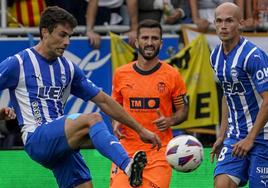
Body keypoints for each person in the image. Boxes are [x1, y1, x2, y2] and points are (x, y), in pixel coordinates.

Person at [0, 6, 162, 188]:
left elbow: (104, 100)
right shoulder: (18, 63)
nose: (67, 41)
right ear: (45, 32)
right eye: (62, 35)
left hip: (62, 142)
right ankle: (128, 165)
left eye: (70, 36)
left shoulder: (68, 68)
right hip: (36, 138)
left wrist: (140, 130)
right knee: (92, 119)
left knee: (85, 186)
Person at [110, 19, 188, 188]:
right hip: (126, 151)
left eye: (154, 38)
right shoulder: (121, 74)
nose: (150, 43)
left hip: (159, 151)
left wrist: (170, 121)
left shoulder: (172, 75)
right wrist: (116, 123)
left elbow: (183, 111)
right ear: (136, 41)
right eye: (145, 38)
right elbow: (114, 107)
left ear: (161, 42)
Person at [210, 2, 268, 188]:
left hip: (263, 136)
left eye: (229, 21)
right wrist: (222, 134)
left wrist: (251, 138)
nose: (223, 26)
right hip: (235, 136)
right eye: (219, 21)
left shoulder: (253, 56)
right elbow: (227, 95)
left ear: (240, 24)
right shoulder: (215, 56)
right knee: (221, 184)